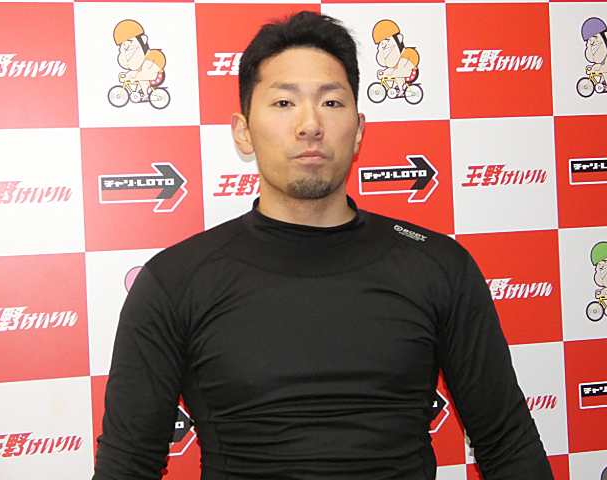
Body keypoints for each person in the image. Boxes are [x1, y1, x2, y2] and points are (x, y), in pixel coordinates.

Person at [93, 11, 554, 480]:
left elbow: (508, 447)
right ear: (243, 131)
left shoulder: (439, 266)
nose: (310, 125)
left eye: (331, 102)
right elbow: (127, 465)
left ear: (358, 130)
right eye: (284, 102)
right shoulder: (174, 282)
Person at [113, 20, 166, 102]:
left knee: (142, 79)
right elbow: (136, 71)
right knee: (139, 79)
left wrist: (132, 77)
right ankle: (138, 93)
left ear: (143, 40)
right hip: (146, 74)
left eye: (130, 42)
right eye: (123, 45)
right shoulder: (140, 62)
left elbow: (148, 74)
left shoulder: (154, 56)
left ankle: (146, 95)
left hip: (157, 77)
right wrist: (128, 75)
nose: (126, 47)